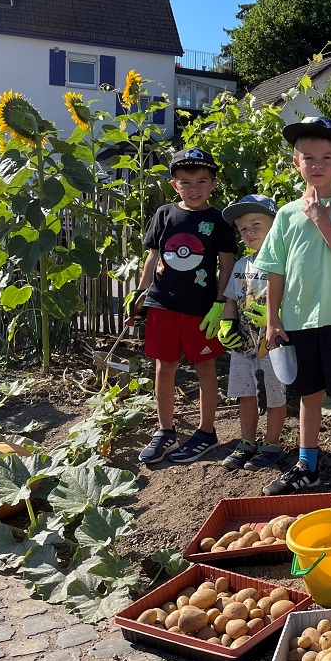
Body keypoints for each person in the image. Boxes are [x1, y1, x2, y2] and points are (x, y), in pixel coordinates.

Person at [254, 116, 331, 512]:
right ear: (296, 163)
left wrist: (323, 221)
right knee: (307, 396)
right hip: (297, 322)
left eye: (327, 157)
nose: (317, 164)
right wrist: (273, 319)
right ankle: (308, 463)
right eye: (309, 157)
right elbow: (274, 268)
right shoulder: (287, 215)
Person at [131, 148, 237, 465]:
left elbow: (227, 262)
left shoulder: (217, 220)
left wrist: (220, 302)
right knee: (164, 367)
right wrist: (139, 292)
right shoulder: (164, 214)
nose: (194, 188)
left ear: (213, 184)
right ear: (174, 184)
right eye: (185, 182)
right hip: (161, 303)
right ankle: (165, 429)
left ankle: (206, 431)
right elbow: (153, 256)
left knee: (205, 367)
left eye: (201, 181)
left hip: (201, 309)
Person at [217, 195, 288, 471]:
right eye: (243, 228)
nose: (249, 232)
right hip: (243, 345)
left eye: (256, 224)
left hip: (273, 345)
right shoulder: (240, 266)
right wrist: (227, 325)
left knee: (274, 394)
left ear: (276, 226)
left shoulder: (284, 263)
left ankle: (271, 444)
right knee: (245, 393)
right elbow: (232, 299)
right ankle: (247, 441)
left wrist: (278, 318)